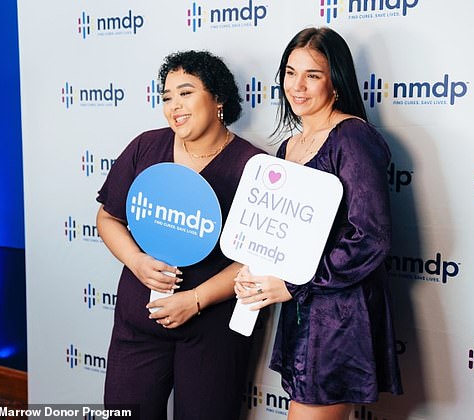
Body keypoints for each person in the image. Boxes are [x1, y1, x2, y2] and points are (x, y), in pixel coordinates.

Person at [234, 27, 403, 420]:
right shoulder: (288, 145)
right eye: (290, 73)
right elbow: (280, 231)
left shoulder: (353, 138)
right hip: (301, 311)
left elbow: (370, 239)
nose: (298, 86)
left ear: (336, 81)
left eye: (312, 75)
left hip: (339, 316)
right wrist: (255, 265)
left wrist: (292, 282)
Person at [96, 50, 265, 419]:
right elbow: (108, 218)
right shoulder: (145, 147)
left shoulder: (253, 166)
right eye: (167, 97)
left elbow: (258, 259)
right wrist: (136, 261)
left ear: (218, 97)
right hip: (140, 320)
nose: (174, 106)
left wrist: (196, 299)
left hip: (212, 329)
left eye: (186, 93)